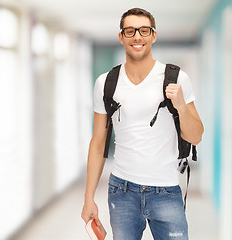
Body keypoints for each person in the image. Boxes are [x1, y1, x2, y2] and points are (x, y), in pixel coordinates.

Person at [81, 8, 204, 240]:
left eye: (144, 30)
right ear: (122, 37)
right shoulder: (106, 83)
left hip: (166, 191)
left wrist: (181, 105)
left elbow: (196, 136)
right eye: (130, 31)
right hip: (122, 191)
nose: (137, 36)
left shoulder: (177, 78)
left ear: (153, 35)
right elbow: (98, 142)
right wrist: (89, 198)